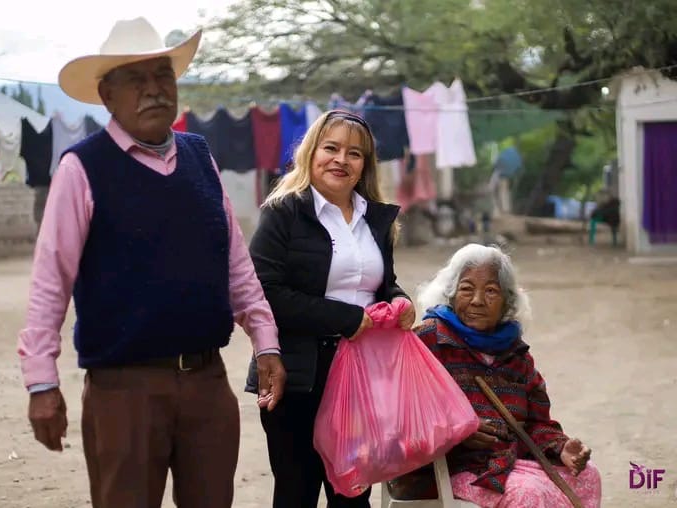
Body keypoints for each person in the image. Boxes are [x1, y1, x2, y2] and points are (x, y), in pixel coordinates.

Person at [17, 17, 286, 508]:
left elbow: (234, 264)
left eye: (163, 76)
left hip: (207, 383)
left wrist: (265, 341)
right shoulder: (83, 168)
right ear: (107, 95)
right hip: (124, 389)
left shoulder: (199, 155)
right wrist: (42, 381)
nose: (154, 91)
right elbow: (50, 282)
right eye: (136, 80)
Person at [245, 110, 416, 508]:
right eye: (331, 148)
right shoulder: (283, 211)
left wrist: (398, 298)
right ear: (311, 153)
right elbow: (263, 292)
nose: (341, 160)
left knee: (353, 495)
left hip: (361, 373)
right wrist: (347, 318)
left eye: (354, 154)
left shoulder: (374, 219)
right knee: (296, 492)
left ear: (365, 166)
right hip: (299, 373)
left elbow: (379, 281)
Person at [401, 243, 601, 507]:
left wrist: (561, 448)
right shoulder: (429, 339)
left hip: (507, 463)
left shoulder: (515, 353)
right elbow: (400, 415)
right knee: (527, 494)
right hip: (449, 471)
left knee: (588, 476)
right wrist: (457, 432)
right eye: (466, 289)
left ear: (507, 301)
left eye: (491, 291)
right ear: (451, 294)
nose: (477, 300)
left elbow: (535, 423)